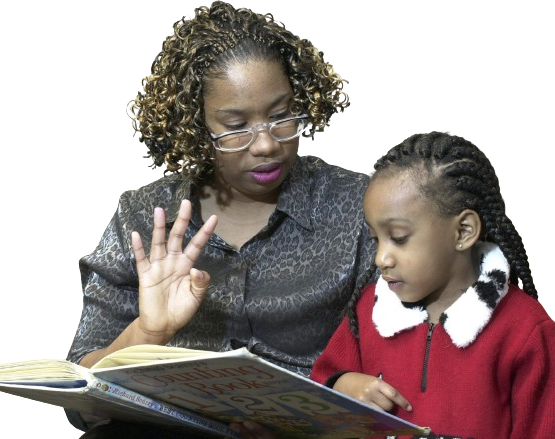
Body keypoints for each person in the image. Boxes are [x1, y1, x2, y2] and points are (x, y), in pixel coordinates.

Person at [65, 1, 377, 437]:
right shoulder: (142, 215)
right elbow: (81, 394)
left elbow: (410, 364)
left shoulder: (362, 207)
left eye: (281, 115)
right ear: (194, 125)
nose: (266, 144)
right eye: (235, 126)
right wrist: (148, 331)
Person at [310, 131, 555, 438]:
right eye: (376, 239)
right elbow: (319, 387)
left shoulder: (526, 331)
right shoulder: (368, 310)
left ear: (464, 231)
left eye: (398, 238)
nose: (381, 258)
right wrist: (341, 385)